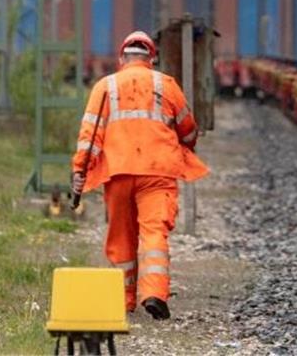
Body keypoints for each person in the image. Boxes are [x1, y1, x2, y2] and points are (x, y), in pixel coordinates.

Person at [70, 30, 209, 320]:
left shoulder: (105, 87)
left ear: (122, 58)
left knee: (121, 236)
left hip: (118, 172)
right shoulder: (166, 85)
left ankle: (123, 300)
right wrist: (185, 143)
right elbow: (189, 129)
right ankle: (155, 294)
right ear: (151, 58)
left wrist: (79, 171)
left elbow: (89, 136)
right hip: (158, 172)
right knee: (154, 231)